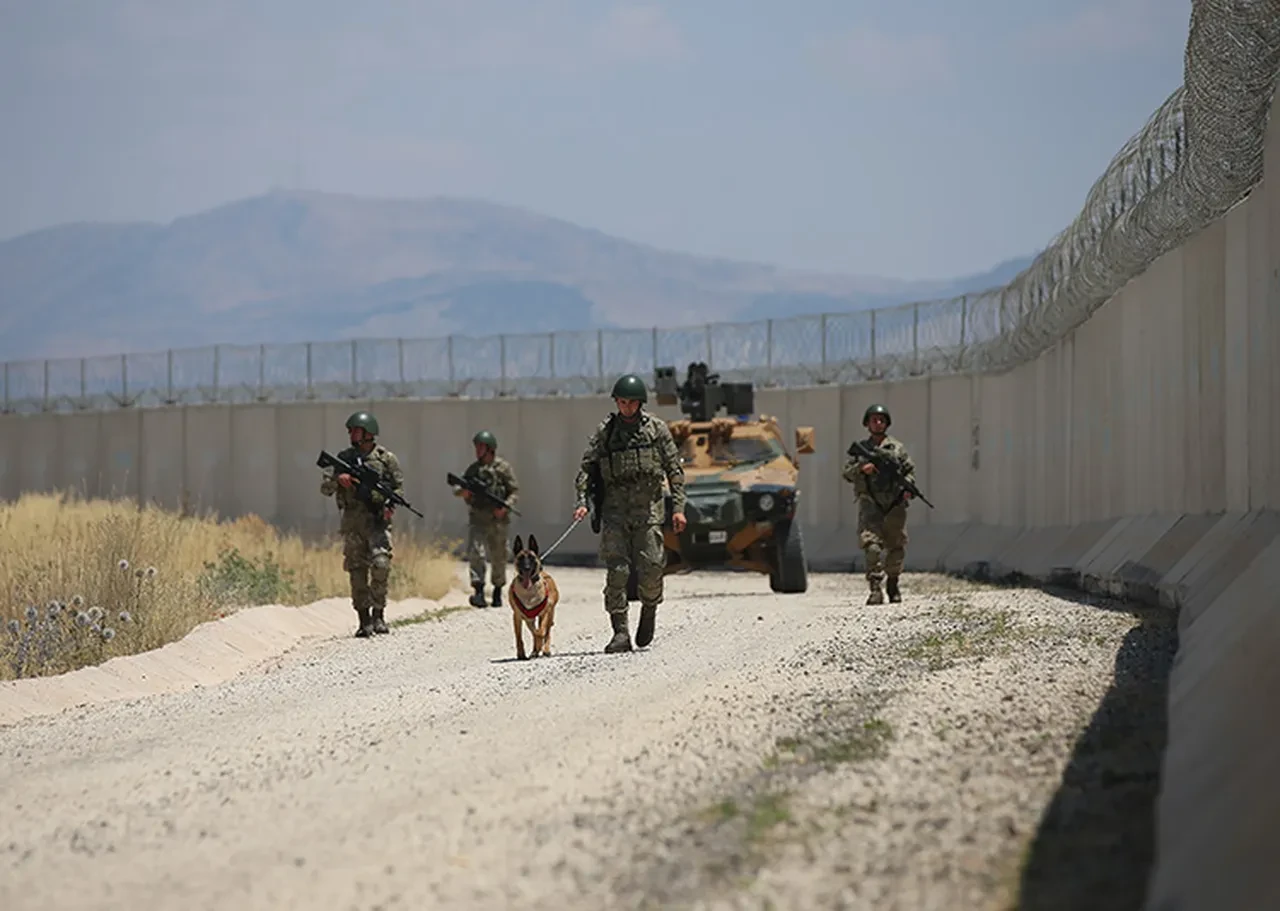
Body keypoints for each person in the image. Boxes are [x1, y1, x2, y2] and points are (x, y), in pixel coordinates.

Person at [573, 373, 687, 653]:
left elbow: (674, 470)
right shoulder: (606, 432)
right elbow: (586, 469)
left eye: (630, 403)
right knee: (617, 572)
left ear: (640, 403)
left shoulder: (656, 430)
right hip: (614, 513)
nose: (625, 407)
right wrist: (582, 501)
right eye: (621, 402)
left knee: (651, 569)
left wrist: (679, 508)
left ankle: (649, 611)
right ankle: (620, 631)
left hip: (648, 512)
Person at [320, 410, 405, 637]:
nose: (351, 434)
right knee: (357, 570)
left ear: (368, 433)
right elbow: (325, 489)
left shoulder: (386, 459)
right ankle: (363, 620)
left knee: (381, 565)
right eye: (350, 430)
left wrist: (389, 506)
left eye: (355, 430)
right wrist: (339, 480)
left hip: (377, 523)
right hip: (353, 524)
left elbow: (397, 488)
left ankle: (379, 614)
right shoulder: (344, 458)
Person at [842, 403, 916, 605]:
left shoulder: (897, 448)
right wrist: (861, 468)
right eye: (874, 419)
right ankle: (875, 588)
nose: (878, 423)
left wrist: (909, 488)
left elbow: (909, 471)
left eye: (881, 420)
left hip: (894, 504)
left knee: (896, 546)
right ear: (867, 423)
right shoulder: (862, 449)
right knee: (872, 546)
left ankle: (893, 583)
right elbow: (846, 473)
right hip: (871, 503)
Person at [455, 429, 520, 607]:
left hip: (498, 520)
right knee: (476, 553)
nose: (477, 450)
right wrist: (464, 492)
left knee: (499, 555)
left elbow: (514, 491)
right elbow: (458, 488)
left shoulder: (503, 468)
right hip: (478, 518)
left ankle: (498, 591)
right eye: (476, 447)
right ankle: (479, 591)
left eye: (481, 447)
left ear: (490, 449)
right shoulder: (473, 470)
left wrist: (505, 507)